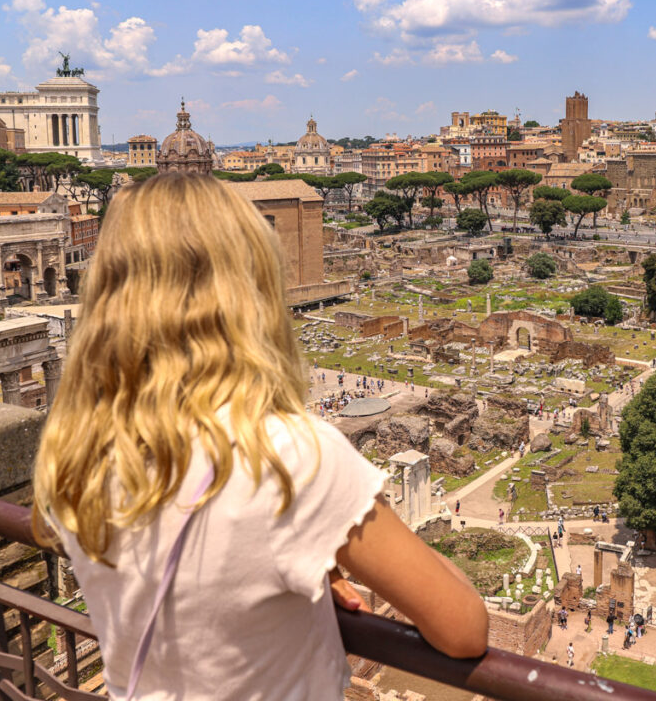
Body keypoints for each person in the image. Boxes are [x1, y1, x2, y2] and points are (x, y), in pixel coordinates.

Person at [31, 174, 488, 701]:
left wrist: (295, 567)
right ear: (251, 288)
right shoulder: (289, 457)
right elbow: (464, 629)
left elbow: (197, 590)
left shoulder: (78, 451)